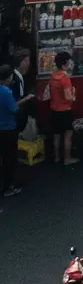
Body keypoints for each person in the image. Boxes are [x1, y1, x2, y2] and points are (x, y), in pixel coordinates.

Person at [0, 64, 26, 197]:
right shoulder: (6, 92)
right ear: (8, 77)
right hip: (8, 129)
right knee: (9, 158)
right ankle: (8, 187)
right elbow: (14, 110)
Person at [49, 51, 78, 165]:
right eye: (69, 63)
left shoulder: (53, 76)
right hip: (65, 111)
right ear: (64, 65)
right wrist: (74, 95)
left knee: (56, 134)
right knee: (68, 135)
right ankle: (67, 158)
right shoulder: (65, 78)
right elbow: (68, 97)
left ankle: (56, 157)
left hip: (54, 110)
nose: (71, 64)